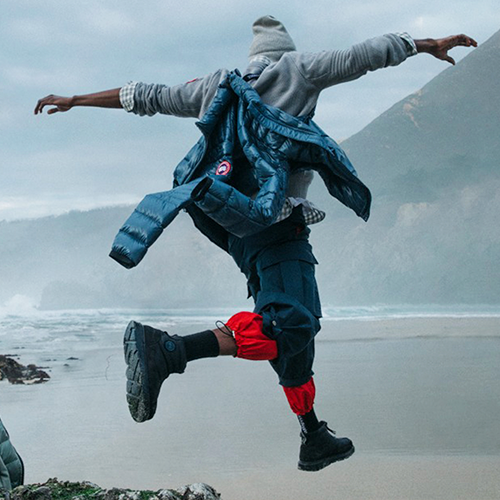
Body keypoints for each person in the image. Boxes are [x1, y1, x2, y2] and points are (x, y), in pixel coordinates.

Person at [34, 16, 477, 471]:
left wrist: (76, 100)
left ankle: (313, 434)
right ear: (284, 53)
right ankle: (169, 350)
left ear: (252, 58)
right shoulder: (296, 71)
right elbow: (365, 55)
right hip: (278, 224)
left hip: (233, 229)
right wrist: (426, 44)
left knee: (293, 329)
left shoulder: (216, 86)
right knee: (291, 324)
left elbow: (145, 96)